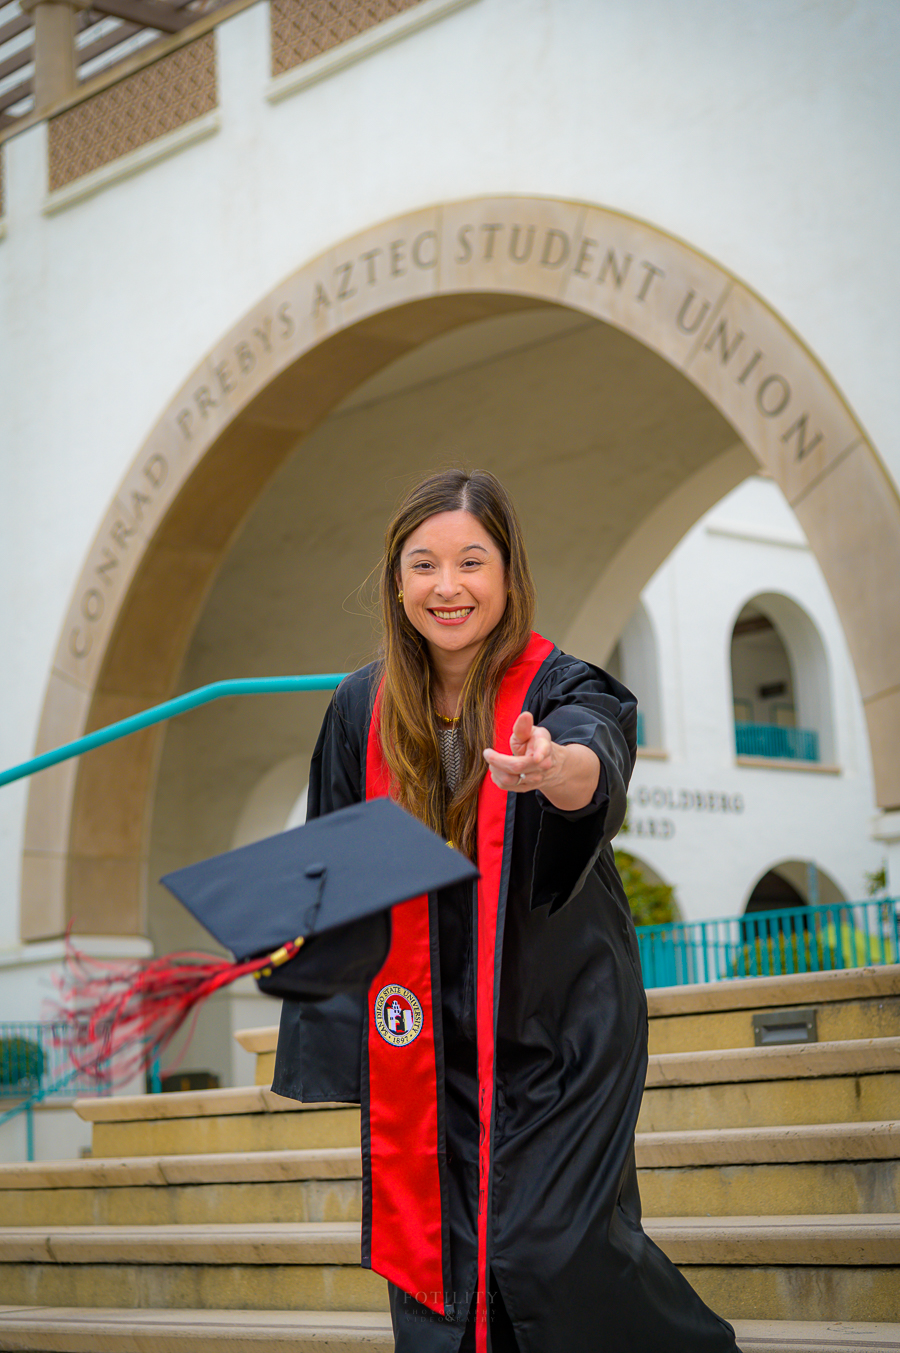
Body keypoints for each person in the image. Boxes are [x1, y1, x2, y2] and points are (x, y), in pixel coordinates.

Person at [273, 468, 742, 1353]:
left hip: (563, 1019)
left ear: (508, 571)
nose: (447, 587)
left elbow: (595, 760)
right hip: (432, 1024)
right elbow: (337, 864)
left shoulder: (563, 685)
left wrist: (551, 765)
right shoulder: (360, 706)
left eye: (470, 562)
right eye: (424, 564)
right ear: (396, 578)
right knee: (440, 1257)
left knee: (545, 1244)